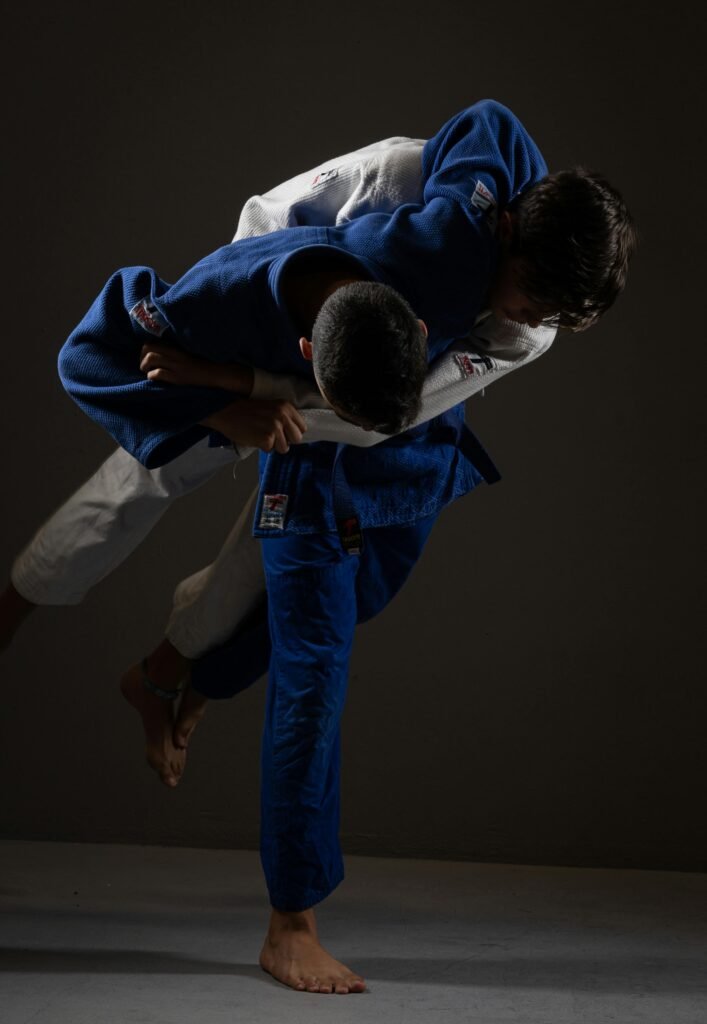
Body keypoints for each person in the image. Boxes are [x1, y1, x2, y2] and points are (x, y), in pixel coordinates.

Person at [3, 101, 636, 994]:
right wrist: (218, 388)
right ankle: (18, 612)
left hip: (352, 402)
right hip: (268, 312)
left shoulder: (522, 327)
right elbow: (266, 227)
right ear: (505, 233)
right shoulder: (398, 178)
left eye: (553, 316)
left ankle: (163, 673)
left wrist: (252, 393)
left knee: (271, 579)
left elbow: (390, 414)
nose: (532, 320)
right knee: (138, 481)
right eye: (533, 298)